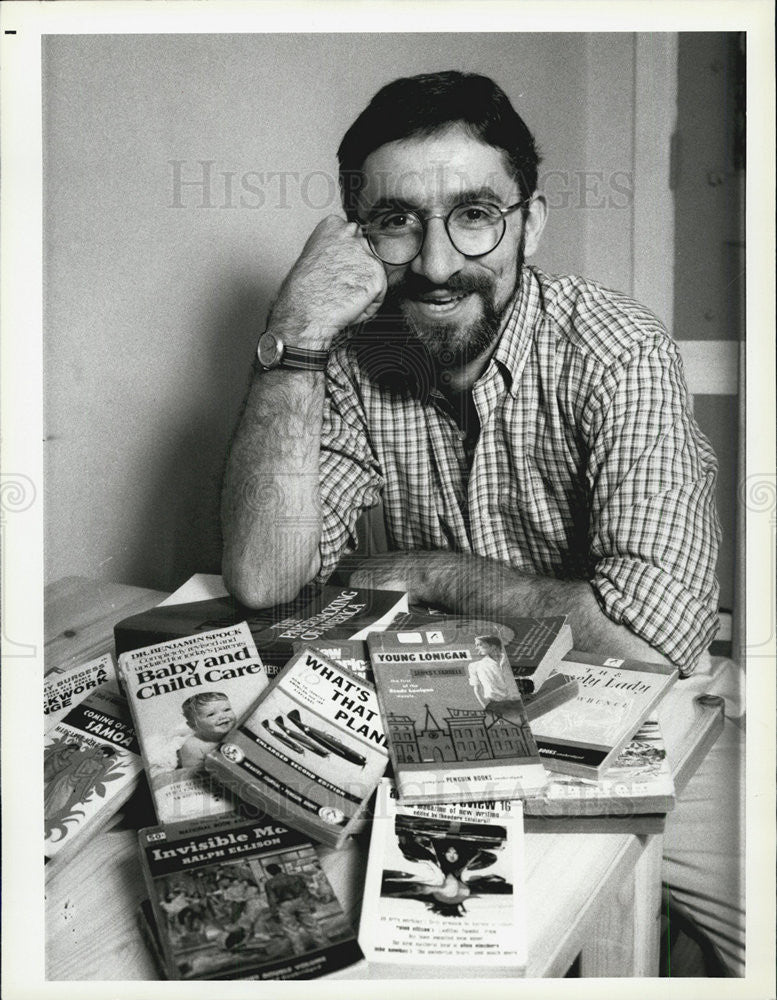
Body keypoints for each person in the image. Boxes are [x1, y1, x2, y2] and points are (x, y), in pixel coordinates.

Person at [221, 71, 742, 974]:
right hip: (443, 719)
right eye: (395, 221)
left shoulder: (616, 350)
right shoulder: (347, 353)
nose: (431, 264)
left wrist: (424, 575)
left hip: (653, 728)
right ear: (359, 234)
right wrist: (294, 336)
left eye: (474, 215)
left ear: (529, 224)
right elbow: (266, 578)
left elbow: (651, 640)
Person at [263, 862, 327, 952]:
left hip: (284, 905)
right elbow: (305, 892)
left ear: (270, 872)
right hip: (299, 901)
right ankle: (324, 945)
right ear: (280, 868)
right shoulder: (295, 878)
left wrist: (274, 913)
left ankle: (300, 952)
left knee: (291, 931)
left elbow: (272, 899)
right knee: (312, 925)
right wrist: (310, 904)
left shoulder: (269, 883)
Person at [178, 692, 237, 769]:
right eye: (211, 714)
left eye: (227, 710)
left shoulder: (238, 729)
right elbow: (194, 775)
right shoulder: (193, 746)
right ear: (193, 725)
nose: (223, 716)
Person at [468, 634, 514, 707]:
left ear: (493, 646)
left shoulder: (510, 659)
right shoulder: (475, 666)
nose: (477, 648)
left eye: (480, 644)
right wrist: (487, 708)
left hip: (516, 702)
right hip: (496, 705)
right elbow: (477, 690)